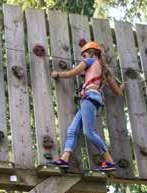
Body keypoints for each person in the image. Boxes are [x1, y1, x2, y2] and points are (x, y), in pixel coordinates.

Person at [49, 42, 124, 171]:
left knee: (88, 132)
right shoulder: (104, 71)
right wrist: (123, 85)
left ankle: (109, 161)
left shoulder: (89, 61)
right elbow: (118, 92)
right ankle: (64, 159)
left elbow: (72, 73)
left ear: (92, 53)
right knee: (72, 130)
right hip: (92, 100)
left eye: (84, 55)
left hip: (89, 98)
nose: (83, 58)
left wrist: (57, 74)